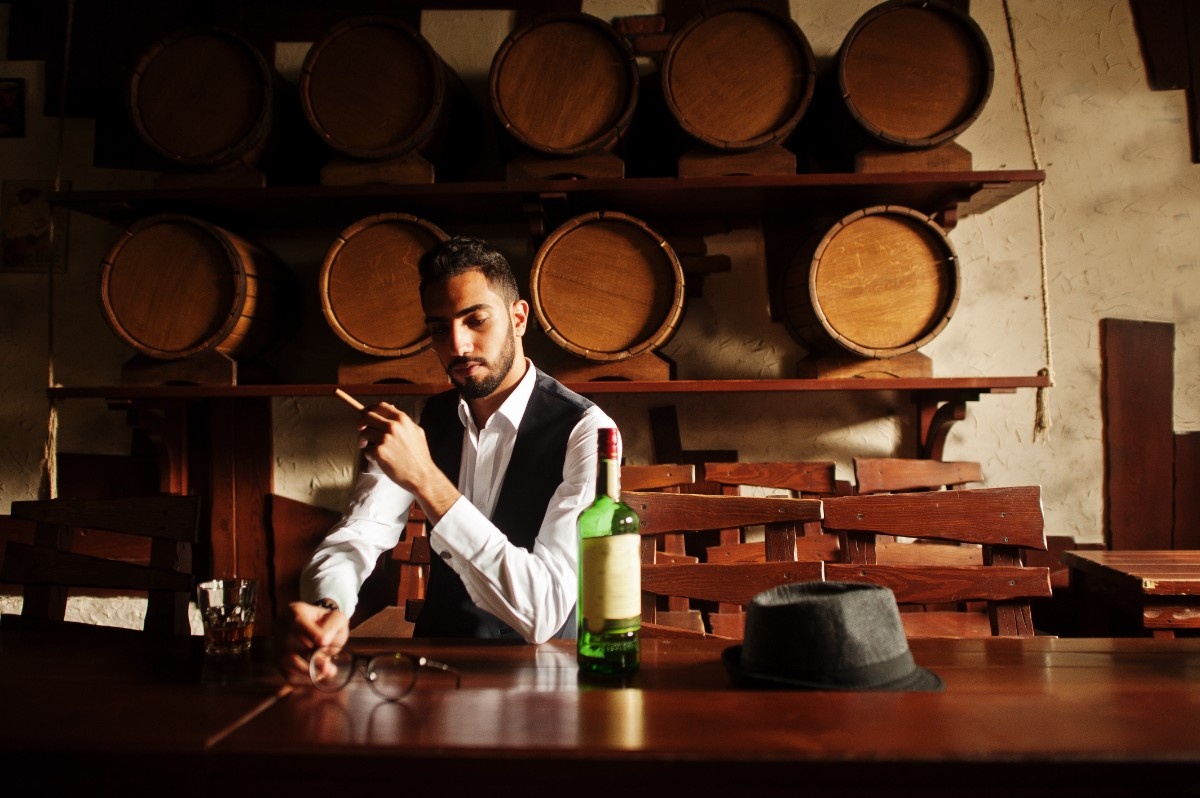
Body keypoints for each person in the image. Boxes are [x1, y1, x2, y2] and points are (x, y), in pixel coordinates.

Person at [278, 235, 617, 681]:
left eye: (476, 320)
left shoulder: (588, 431)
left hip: (544, 677)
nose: (457, 346)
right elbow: (358, 534)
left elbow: (544, 615)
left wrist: (425, 479)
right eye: (439, 328)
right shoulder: (428, 420)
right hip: (433, 670)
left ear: (518, 318)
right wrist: (329, 606)